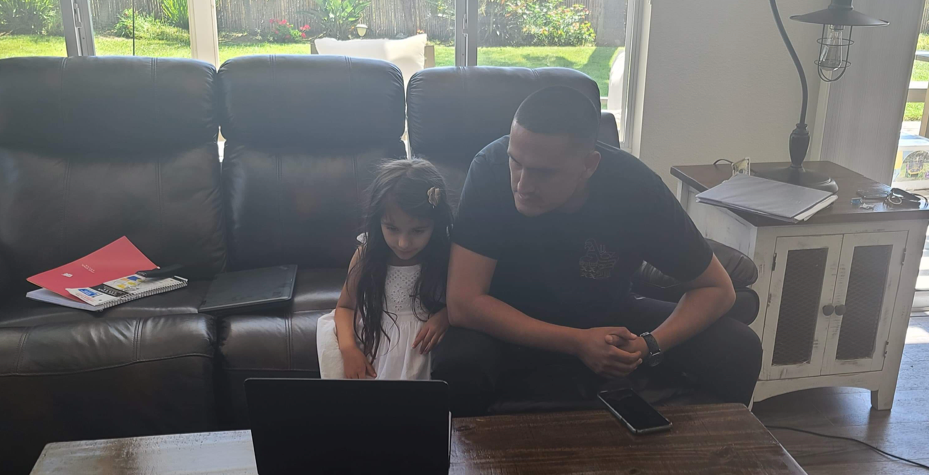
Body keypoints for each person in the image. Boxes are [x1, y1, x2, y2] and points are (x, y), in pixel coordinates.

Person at [434, 85, 762, 415]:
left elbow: (718, 289)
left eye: (544, 172)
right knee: (459, 363)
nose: (522, 185)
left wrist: (648, 344)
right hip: (507, 323)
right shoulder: (489, 169)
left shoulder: (635, 187)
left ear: (589, 165)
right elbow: (464, 302)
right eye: (515, 162)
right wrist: (576, 342)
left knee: (738, 348)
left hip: (607, 315)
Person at [317, 159, 453, 380]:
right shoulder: (366, 254)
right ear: (378, 221)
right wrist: (349, 349)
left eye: (418, 231)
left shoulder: (447, 256)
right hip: (375, 341)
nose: (403, 243)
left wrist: (446, 317)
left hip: (422, 350)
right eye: (392, 228)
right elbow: (345, 307)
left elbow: (465, 302)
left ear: (435, 224)